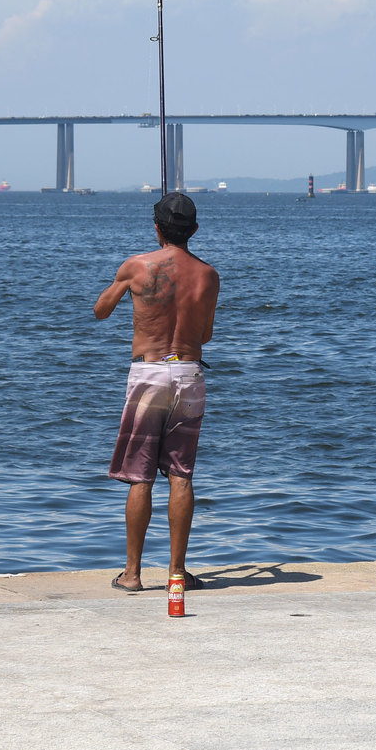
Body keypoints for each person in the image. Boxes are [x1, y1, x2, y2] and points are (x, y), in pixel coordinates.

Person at [93, 191, 219, 593]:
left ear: (156, 228)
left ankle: (131, 574)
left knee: (139, 476)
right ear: (194, 230)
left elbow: (100, 311)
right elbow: (206, 335)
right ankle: (177, 575)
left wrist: (130, 286)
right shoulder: (209, 275)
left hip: (148, 373)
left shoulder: (137, 265)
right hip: (189, 373)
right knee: (181, 475)